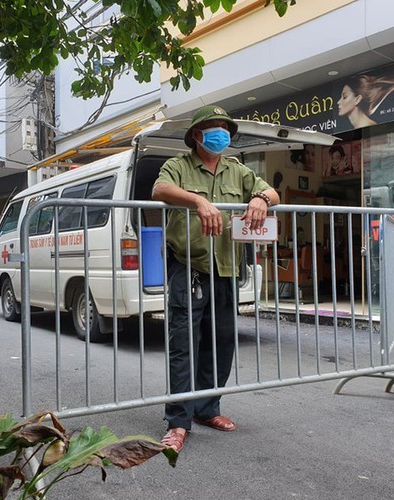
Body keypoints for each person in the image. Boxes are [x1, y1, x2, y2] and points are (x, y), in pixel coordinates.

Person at [152, 105, 279, 453]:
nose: (220, 133)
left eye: (224, 128)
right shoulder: (178, 165)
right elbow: (159, 190)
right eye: (213, 128)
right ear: (196, 135)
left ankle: (207, 409)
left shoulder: (237, 169)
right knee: (184, 343)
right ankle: (178, 420)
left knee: (222, 340)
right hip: (188, 266)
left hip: (226, 266)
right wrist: (198, 201)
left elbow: (273, 193)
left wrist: (259, 199)